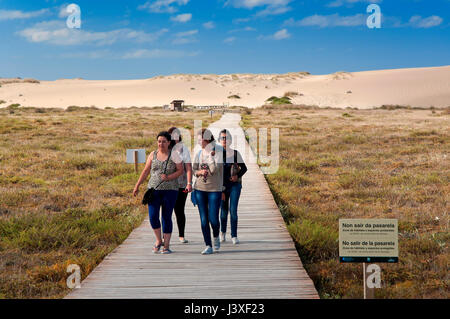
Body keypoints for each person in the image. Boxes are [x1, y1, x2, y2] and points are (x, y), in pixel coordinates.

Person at [133, 131, 184, 254]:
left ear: (169, 143)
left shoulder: (175, 154)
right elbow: (146, 171)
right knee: (153, 216)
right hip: (153, 190)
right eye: (159, 141)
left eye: (164, 141)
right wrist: (137, 185)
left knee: (166, 217)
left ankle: (166, 245)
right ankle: (158, 240)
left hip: (170, 190)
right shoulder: (152, 154)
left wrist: (169, 177)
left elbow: (180, 170)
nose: (161, 144)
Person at [193, 128, 224, 255]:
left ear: (207, 139)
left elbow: (215, 170)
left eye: (201, 139)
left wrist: (210, 157)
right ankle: (208, 245)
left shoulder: (218, 152)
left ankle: (216, 236)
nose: (199, 142)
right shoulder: (199, 153)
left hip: (215, 189)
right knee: (204, 219)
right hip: (200, 189)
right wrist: (199, 172)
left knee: (213, 219)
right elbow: (194, 169)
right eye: (198, 139)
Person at [219, 129, 247, 244]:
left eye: (227, 138)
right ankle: (222, 233)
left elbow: (244, 168)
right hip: (222, 187)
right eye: (222, 138)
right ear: (219, 140)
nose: (225, 140)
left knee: (233, 210)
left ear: (230, 140)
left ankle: (234, 235)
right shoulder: (217, 154)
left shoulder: (235, 153)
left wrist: (237, 176)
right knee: (223, 211)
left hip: (235, 186)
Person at [168, 127, 193, 244]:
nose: (175, 136)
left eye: (177, 134)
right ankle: (165, 236)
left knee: (179, 210)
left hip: (182, 185)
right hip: (167, 186)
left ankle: (181, 235)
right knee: (166, 211)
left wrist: (189, 183)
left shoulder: (184, 149)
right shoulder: (166, 148)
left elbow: (188, 167)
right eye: (172, 134)